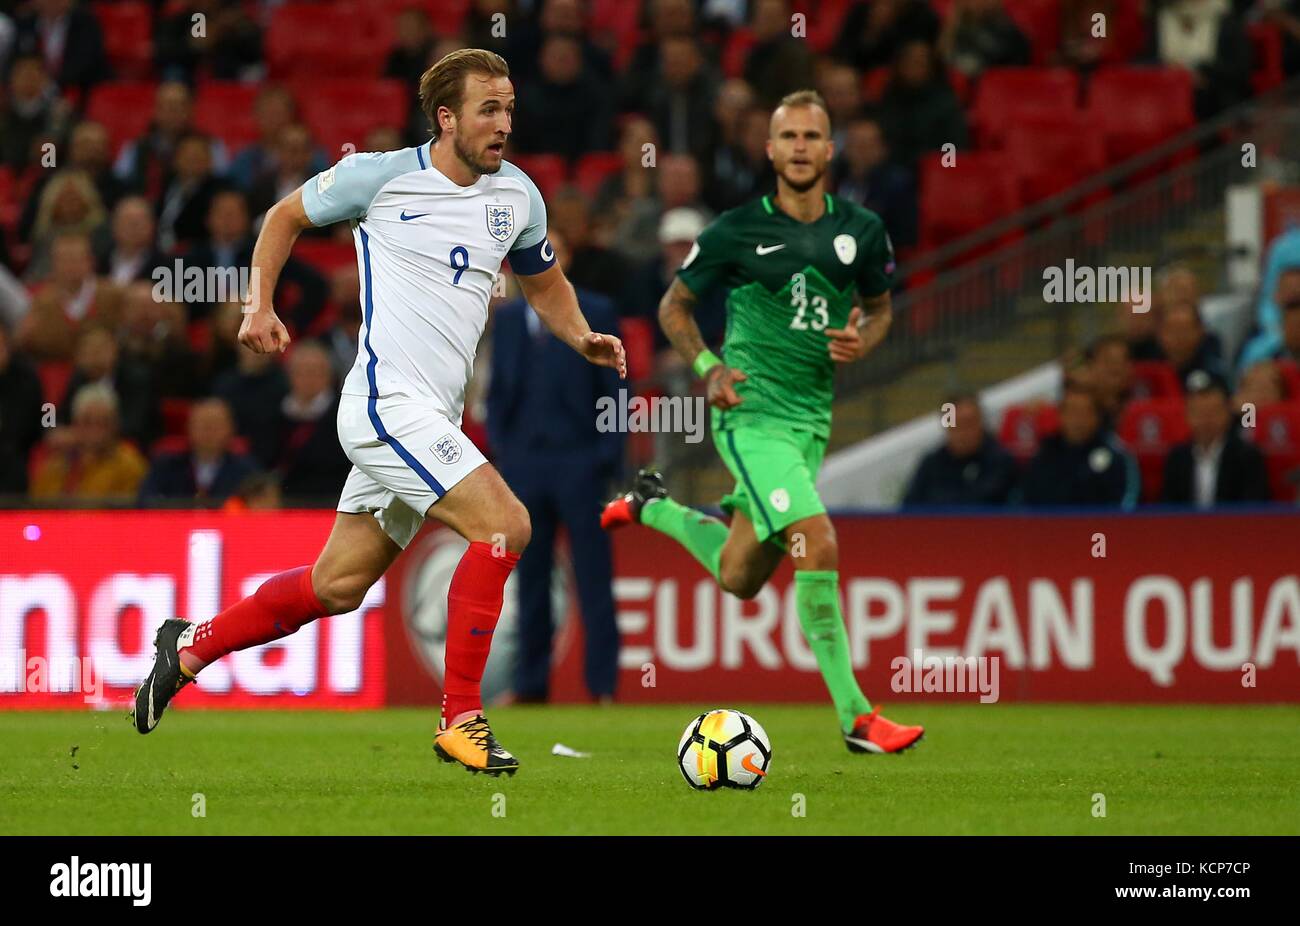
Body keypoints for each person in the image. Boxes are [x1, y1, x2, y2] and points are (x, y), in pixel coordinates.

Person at [131, 50, 626, 779]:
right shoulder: (380, 176)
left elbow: (545, 284)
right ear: (447, 117)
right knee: (506, 525)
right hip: (385, 405)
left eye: (510, 109)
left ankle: (190, 647)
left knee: (337, 586)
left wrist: (580, 332)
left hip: (433, 418)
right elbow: (284, 215)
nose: (504, 124)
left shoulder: (518, 196)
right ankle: (462, 717)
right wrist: (258, 303)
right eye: (488, 110)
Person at [602, 90, 923, 756]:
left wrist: (867, 336)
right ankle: (857, 718)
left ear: (828, 150)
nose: (801, 147)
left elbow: (882, 307)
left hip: (810, 422)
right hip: (750, 417)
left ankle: (653, 506)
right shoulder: (736, 231)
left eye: (812, 135)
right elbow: (674, 307)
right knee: (818, 540)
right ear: (770, 150)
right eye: (789, 137)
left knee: (739, 575)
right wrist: (710, 368)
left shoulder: (862, 231)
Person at [488, 229, 623, 703]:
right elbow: (498, 394)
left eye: (552, 251)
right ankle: (530, 685)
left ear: (564, 260)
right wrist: (506, 454)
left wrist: (606, 458)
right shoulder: (505, 321)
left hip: (580, 461)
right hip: (525, 464)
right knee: (530, 579)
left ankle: (603, 686)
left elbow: (613, 394)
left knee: (593, 577)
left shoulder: (596, 311)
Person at [1020, 382, 1139, 508]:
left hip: (1101, 525)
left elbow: (1126, 504)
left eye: (1085, 412)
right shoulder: (1045, 452)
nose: (1078, 420)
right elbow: (1028, 499)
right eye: (1072, 411)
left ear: (1096, 417)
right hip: (1049, 525)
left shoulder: (1115, 454)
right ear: (1061, 415)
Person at [1162, 371, 1271, 507]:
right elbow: (1168, 507)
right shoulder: (1177, 457)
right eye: (1198, 413)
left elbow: (1253, 506)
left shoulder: (1246, 455)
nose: (1206, 420)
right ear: (1187, 416)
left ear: (1227, 413)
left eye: (1213, 412)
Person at [31, 383, 148, 503]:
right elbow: (35, 509)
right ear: (75, 424)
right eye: (87, 422)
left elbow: (127, 516)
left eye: (103, 423)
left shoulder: (130, 467)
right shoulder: (56, 465)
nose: (95, 431)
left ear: (115, 425)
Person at [903, 393, 1016, 506]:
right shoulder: (932, 463)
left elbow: (984, 501)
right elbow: (909, 507)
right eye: (955, 425)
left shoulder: (1000, 461)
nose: (963, 433)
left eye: (968, 423)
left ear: (980, 421)